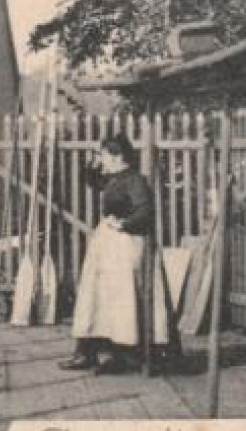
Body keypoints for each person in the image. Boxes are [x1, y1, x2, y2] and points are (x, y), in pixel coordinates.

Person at [60, 133, 168, 374]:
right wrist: (93, 163)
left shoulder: (134, 180)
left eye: (105, 156)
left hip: (125, 245)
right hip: (108, 244)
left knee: (120, 299)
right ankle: (88, 353)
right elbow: (92, 181)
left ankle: (120, 353)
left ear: (118, 157)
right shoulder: (115, 178)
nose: (102, 161)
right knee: (97, 296)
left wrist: (123, 224)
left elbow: (145, 212)